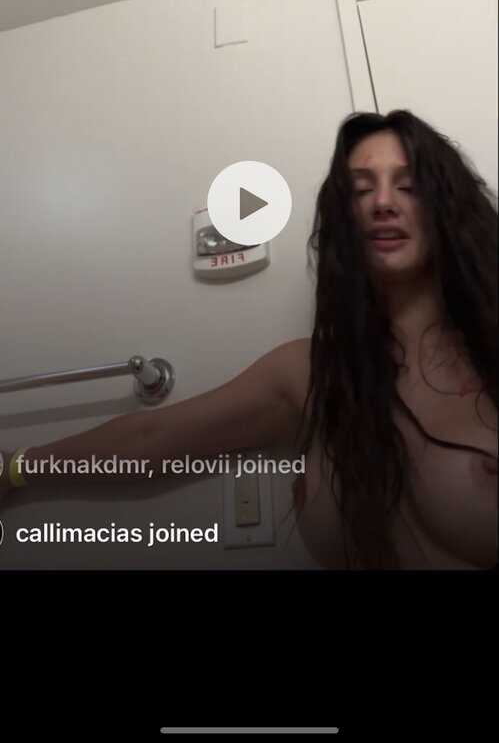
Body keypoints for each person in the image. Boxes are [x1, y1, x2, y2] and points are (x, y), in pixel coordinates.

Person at [1, 110, 497, 570]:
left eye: (408, 185)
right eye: (360, 190)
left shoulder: (490, 354)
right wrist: (16, 469)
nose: (383, 202)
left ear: (446, 207)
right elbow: (152, 438)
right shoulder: (312, 374)